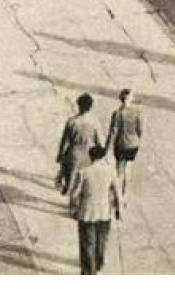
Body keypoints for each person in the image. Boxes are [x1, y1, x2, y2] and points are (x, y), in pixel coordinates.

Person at [69, 144, 121, 275]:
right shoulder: (110, 171)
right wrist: (118, 210)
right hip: (104, 213)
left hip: (87, 213)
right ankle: (99, 264)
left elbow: (75, 194)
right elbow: (117, 192)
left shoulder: (84, 173)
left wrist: (74, 208)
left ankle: (89, 272)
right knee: (101, 241)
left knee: (88, 244)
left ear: (91, 157)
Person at [57, 93, 104, 196]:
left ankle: (69, 196)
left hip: (73, 155)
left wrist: (60, 156)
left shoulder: (72, 122)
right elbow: (99, 142)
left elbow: (64, 141)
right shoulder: (95, 122)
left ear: (78, 105)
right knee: (83, 183)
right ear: (90, 107)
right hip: (88, 157)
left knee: (70, 183)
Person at [106, 89, 144, 200]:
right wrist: (138, 140)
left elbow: (113, 131)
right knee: (128, 170)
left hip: (120, 144)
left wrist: (107, 148)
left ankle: (118, 197)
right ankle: (125, 194)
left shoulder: (117, 113)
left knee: (119, 171)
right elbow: (140, 129)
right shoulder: (137, 113)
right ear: (128, 99)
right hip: (133, 145)